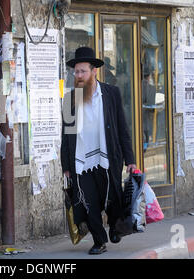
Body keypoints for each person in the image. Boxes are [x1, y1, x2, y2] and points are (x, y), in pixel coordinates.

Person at [61, 47, 137, 254]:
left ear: (94, 71)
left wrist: (130, 158)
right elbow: (66, 137)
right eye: (75, 72)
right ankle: (99, 241)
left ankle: (115, 226)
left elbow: (122, 127)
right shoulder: (70, 99)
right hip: (81, 161)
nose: (78, 76)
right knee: (88, 203)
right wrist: (66, 167)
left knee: (112, 196)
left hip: (107, 158)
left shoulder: (111, 93)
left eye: (82, 71)